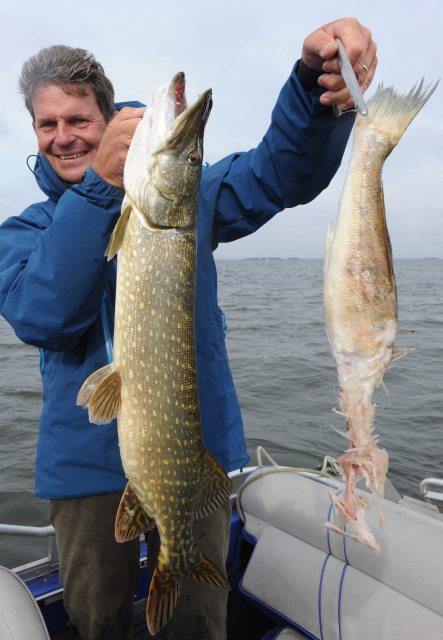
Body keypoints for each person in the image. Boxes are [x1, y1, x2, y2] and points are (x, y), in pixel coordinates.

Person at [0, 16, 376, 640]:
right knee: (95, 622)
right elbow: (45, 317)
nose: (63, 137)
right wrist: (99, 191)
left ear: (110, 121)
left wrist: (315, 87)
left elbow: (281, 172)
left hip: (194, 457)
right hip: (83, 473)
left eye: (79, 120)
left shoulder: (188, 198)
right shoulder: (26, 232)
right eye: (48, 124)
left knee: (198, 621)